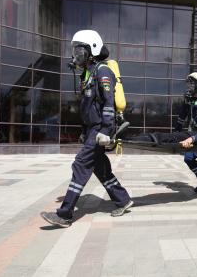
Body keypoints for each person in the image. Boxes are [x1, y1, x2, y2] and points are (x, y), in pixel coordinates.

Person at [41, 30, 133, 227]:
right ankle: (123, 200)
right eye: (75, 50)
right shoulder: (87, 74)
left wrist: (106, 131)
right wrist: (84, 131)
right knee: (100, 167)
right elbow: (87, 107)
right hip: (92, 128)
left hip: (101, 128)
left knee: (80, 164)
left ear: (92, 50)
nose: (76, 54)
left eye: (79, 50)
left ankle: (65, 214)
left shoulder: (103, 71)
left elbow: (108, 103)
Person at [129, 112, 197, 149]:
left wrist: (192, 139)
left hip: (189, 138)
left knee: (160, 137)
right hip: (187, 136)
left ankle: (129, 139)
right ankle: (130, 138)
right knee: (160, 136)